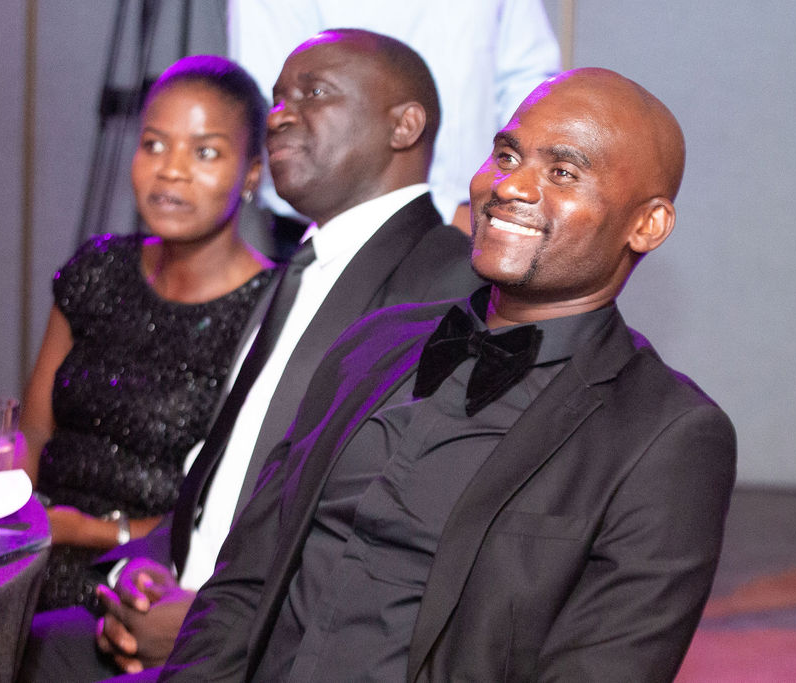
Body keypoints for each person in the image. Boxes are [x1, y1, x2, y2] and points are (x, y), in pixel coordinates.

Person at [158, 68, 738, 682]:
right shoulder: (373, 342)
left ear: (647, 225)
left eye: (563, 172)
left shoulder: (667, 435)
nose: (510, 185)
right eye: (506, 155)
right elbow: (244, 583)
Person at [19, 29, 481, 679]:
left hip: (264, 646)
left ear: (404, 125)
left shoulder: (448, 282)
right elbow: (223, 478)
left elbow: (398, 533)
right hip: (174, 600)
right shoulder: (299, 271)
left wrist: (219, 623)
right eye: (279, 97)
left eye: (313, 93)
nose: (281, 114)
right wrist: (144, 568)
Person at [20, 55, 275, 611]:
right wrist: (8, 530)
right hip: (32, 553)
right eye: (154, 144)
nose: (171, 170)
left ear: (252, 173)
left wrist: (87, 531)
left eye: (205, 152)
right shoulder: (98, 268)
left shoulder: (272, 310)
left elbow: (238, 516)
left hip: (149, 583)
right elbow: (33, 435)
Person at [226, 0, 562, 233]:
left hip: (493, 218)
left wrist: (512, 198)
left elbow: (528, 84)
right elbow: (285, 118)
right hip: (342, 230)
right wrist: (444, 213)